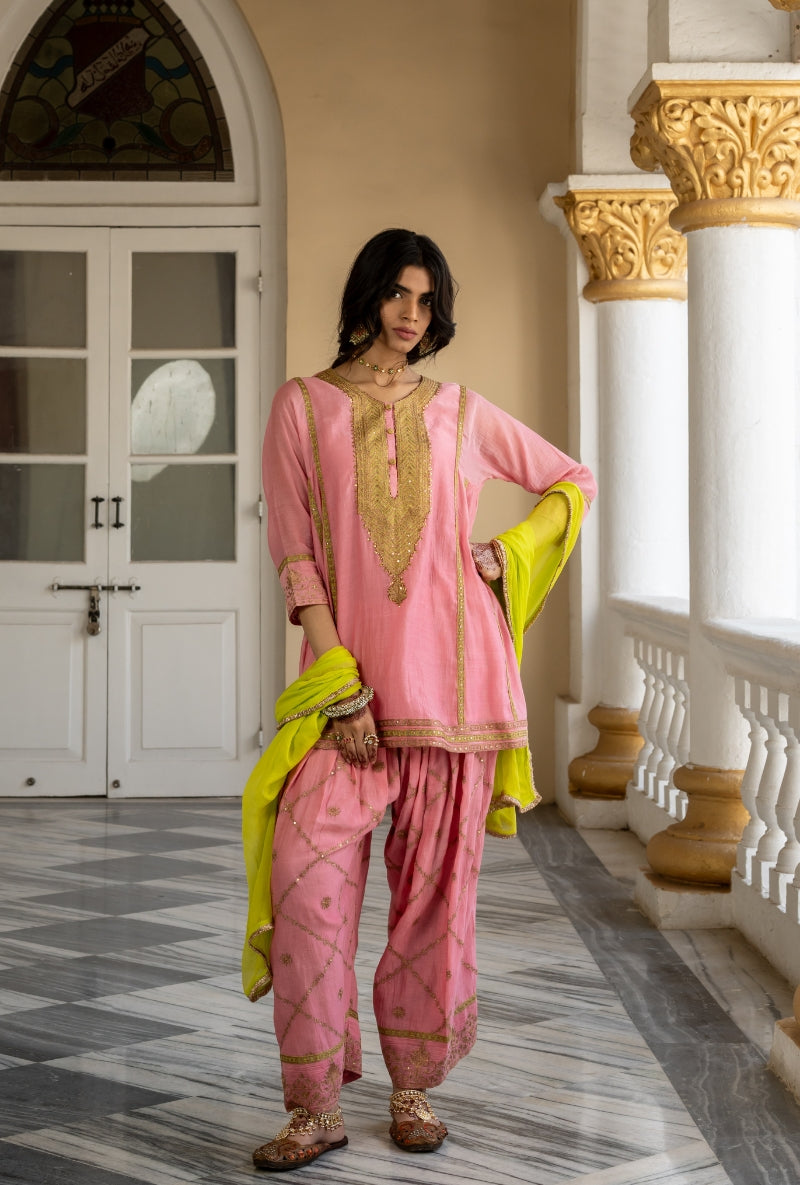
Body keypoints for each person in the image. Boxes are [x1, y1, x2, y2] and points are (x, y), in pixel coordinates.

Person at [242, 228, 596, 1172]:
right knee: (307, 884)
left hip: (456, 694)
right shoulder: (302, 407)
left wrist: (504, 555)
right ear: (366, 294)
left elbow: (571, 479)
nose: (411, 314)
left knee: (433, 907)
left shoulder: (461, 412)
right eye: (398, 294)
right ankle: (314, 1107)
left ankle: (412, 1087)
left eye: (427, 301)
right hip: (346, 703)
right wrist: (343, 684)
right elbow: (297, 559)